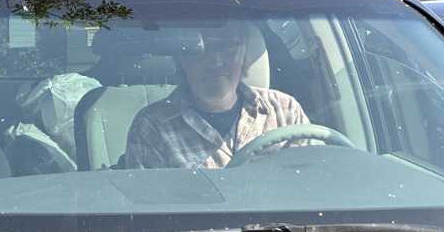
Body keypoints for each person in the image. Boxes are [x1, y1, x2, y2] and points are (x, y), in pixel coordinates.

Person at [125, 21, 309, 169]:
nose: (215, 61)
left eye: (228, 47)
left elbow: (312, 179)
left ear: (244, 54)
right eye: (201, 49)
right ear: (181, 59)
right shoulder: (152, 127)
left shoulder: (285, 110)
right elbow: (148, 201)